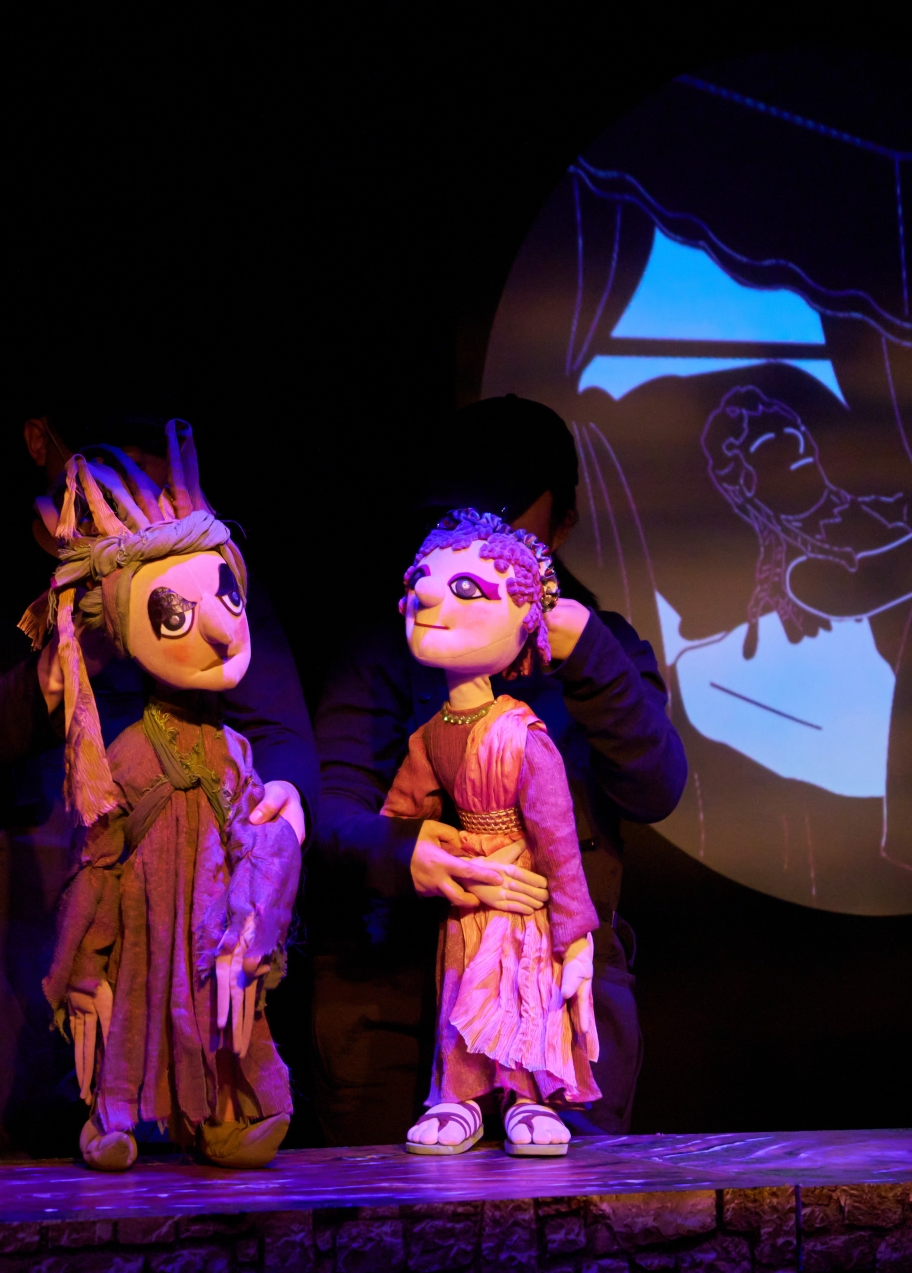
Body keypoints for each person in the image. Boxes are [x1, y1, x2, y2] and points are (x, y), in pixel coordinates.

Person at [0, 410, 317, 1160]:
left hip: (179, 938)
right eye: (125, 454)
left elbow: (279, 728)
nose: (150, 481)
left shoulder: (196, 557)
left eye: (160, 459)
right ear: (43, 442)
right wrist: (55, 673)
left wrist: (282, 801)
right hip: (8, 953)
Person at [310, 394, 687, 1146]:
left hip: (559, 994)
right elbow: (332, 807)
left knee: (561, 1204)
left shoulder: (601, 646)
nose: (481, 533)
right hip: (399, 996)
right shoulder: (390, 646)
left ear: (562, 523)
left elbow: (655, 786)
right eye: (461, 512)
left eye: (505, 512)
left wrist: (586, 656)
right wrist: (403, 851)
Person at [41, 444, 299, 1170]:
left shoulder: (235, 750)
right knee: (131, 1007)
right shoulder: (125, 754)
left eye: (227, 596)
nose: (218, 626)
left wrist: (257, 913)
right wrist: (82, 964)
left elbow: (256, 837)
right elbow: (97, 862)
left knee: (227, 1005)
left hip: (217, 928)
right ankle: (113, 1116)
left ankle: (226, 1115)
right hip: (145, 925)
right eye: (177, 612)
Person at [388, 509, 600, 1157]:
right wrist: (423, 856)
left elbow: (559, 843)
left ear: (525, 618)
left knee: (520, 988)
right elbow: (401, 818)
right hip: (468, 890)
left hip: (521, 891)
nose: (429, 595)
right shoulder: (431, 734)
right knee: (462, 990)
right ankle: (458, 1095)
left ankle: (527, 1096)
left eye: (466, 588)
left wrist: (576, 938)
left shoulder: (522, 736)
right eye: (421, 580)